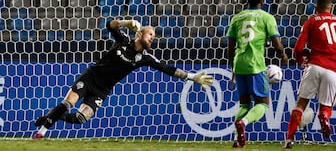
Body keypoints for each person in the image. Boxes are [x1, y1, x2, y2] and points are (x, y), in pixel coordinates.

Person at [32, 19, 214, 139]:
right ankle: (42, 132)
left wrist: (192, 77)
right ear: (140, 34)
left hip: (102, 90)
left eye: (154, 37)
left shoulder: (145, 58)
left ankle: (52, 115)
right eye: (150, 34)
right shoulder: (123, 40)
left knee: (81, 119)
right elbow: (109, 26)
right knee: (68, 103)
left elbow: (167, 69)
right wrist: (126, 22)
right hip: (90, 77)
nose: (153, 38)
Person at [284, 0, 336, 148]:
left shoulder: (311, 21)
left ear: (316, 8)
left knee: (301, 104)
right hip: (333, 70)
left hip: (315, 65)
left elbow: (298, 48)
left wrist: (300, 60)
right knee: (326, 106)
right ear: (331, 8)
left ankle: (288, 140)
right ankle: (324, 117)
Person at [226, 0, 288, 148]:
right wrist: (283, 55)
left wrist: (233, 67)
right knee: (263, 103)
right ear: (262, 1)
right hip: (255, 65)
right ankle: (244, 122)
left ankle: (235, 139)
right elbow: (276, 42)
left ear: (247, 1)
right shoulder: (267, 17)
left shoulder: (237, 17)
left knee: (244, 104)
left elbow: (230, 46)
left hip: (239, 64)